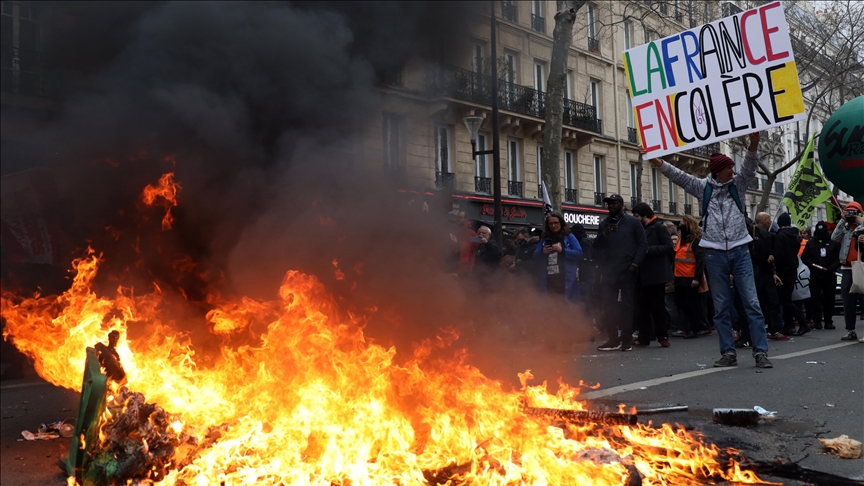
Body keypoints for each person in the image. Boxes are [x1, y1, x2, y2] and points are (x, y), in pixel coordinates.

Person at [641, 132, 772, 368]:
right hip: (714, 255)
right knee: (721, 307)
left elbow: (751, 166)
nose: (733, 171)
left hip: (740, 251)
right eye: (729, 168)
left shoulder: (739, 185)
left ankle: (760, 352)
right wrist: (657, 161)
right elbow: (678, 176)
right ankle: (728, 353)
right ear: (718, 171)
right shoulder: (703, 188)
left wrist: (754, 144)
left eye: (733, 168)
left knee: (752, 303)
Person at [593, 194, 647, 352]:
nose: (611, 206)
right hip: (609, 270)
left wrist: (635, 263)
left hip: (627, 270)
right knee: (609, 305)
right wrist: (605, 234)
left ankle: (626, 340)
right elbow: (596, 247)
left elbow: (643, 244)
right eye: (609, 204)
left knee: (627, 305)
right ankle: (612, 339)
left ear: (622, 204)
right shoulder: (604, 224)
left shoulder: (633, 222)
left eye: (614, 203)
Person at [631, 203, 674, 347]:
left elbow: (668, 247)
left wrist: (647, 250)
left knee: (658, 307)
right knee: (642, 308)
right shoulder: (639, 229)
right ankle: (644, 336)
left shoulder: (659, 227)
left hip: (656, 275)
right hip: (641, 275)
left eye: (637, 216)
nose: (635, 219)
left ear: (644, 215)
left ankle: (662, 335)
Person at [831, 201, 864, 341]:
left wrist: (860, 223)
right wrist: (842, 220)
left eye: (853, 212)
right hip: (847, 268)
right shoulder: (845, 227)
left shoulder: (862, 227)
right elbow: (834, 238)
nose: (851, 215)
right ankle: (850, 330)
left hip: (862, 267)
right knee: (848, 302)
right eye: (848, 211)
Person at [774, 213, 811, 336]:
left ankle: (802, 322)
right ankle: (788, 325)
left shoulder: (780, 236)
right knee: (787, 298)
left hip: (783, 271)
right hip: (792, 269)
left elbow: (779, 255)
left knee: (785, 300)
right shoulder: (795, 236)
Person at [532, 212, 583, 300]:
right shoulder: (544, 239)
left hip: (566, 278)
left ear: (561, 223)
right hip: (549, 279)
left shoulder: (569, 237)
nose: (553, 226)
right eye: (550, 223)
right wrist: (542, 252)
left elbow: (579, 254)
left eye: (556, 223)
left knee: (568, 304)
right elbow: (535, 256)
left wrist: (562, 251)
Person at [801, 221, 841, 330]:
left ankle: (828, 321)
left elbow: (839, 258)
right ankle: (817, 321)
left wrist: (832, 268)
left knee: (829, 299)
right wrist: (811, 264)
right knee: (815, 299)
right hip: (815, 275)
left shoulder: (834, 243)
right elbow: (804, 257)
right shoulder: (811, 243)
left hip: (829, 275)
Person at [673, 215, 707, 339]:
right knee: (680, 303)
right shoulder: (680, 240)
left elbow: (700, 260)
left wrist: (697, 278)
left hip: (690, 277)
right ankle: (697, 324)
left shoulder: (695, 241)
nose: (680, 224)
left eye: (682, 222)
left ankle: (694, 328)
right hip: (679, 276)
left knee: (691, 304)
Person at [751, 212, 785, 339]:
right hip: (759, 271)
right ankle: (772, 327)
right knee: (770, 301)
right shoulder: (758, 233)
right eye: (769, 219)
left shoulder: (765, 234)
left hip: (763, 272)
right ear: (764, 221)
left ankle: (768, 327)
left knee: (765, 300)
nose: (770, 222)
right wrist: (767, 260)